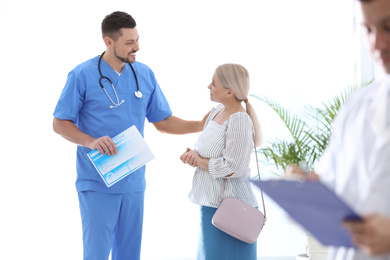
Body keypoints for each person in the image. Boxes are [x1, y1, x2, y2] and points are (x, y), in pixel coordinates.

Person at [53, 11, 207, 260]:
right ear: (108, 41)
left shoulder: (144, 74)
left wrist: (200, 124)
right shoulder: (82, 75)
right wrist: (90, 141)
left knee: (129, 254)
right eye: (129, 42)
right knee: (96, 254)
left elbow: (163, 121)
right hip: (97, 182)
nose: (137, 47)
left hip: (133, 180)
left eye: (137, 40)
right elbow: (60, 123)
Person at [286, 0, 390, 258]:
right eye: (368, 29)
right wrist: (305, 191)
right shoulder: (356, 108)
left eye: (388, 27)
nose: (376, 44)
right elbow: (333, 189)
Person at [180, 63, 262, 260]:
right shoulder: (217, 112)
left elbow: (234, 167)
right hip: (210, 204)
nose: (209, 86)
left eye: (213, 83)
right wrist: (194, 156)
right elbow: (209, 153)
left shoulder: (240, 120)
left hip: (231, 210)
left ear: (230, 91)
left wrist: (199, 161)